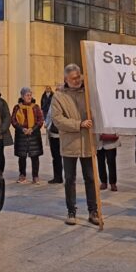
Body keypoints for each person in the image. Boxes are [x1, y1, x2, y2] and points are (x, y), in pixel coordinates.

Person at [52, 64, 99, 226]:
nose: (77, 80)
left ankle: (93, 211)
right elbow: (58, 120)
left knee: (91, 178)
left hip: (88, 143)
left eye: (79, 76)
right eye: (73, 78)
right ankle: (71, 211)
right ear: (66, 79)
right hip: (70, 144)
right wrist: (79, 124)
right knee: (70, 179)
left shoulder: (88, 93)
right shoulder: (59, 96)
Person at [11, 87, 44, 184]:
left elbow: (40, 120)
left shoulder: (36, 107)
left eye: (30, 95)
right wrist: (22, 129)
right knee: (22, 157)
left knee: (35, 157)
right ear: (22, 96)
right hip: (21, 135)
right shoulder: (17, 107)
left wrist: (32, 129)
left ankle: (35, 176)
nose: (29, 97)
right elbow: (13, 120)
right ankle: (22, 175)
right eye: (27, 95)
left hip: (34, 135)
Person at [45, 83, 64, 184]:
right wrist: (47, 125)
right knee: (55, 157)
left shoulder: (66, 103)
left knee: (64, 158)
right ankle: (57, 177)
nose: (57, 92)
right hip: (53, 133)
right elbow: (49, 114)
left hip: (62, 134)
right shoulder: (53, 102)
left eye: (59, 90)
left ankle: (65, 177)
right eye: (56, 90)